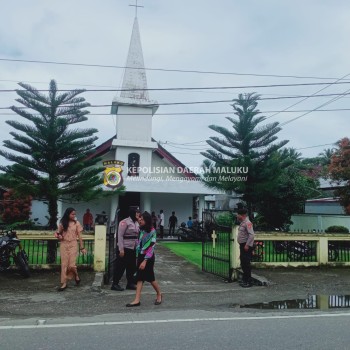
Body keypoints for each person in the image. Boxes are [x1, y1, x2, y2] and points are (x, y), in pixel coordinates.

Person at [126, 211, 162, 307]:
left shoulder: (152, 232)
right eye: (139, 219)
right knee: (139, 278)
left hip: (148, 258)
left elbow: (151, 247)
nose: (140, 221)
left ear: (147, 220)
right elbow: (139, 243)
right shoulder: (141, 229)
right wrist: (138, 257)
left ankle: (159, 294)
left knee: (150, 278)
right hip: (141, 256)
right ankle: (137, 300)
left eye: (142, 219)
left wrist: (145, 261)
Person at [54, 207, 87, 291]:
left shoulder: (77, 223)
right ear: (68, 214)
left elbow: (80, 236)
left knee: (71, 265)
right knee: (64, 264)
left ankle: (76, 275)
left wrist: (82, 247)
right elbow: (58, 234)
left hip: (73, 244)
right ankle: (64, 283)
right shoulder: (62, 223)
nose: (74, 216)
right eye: (72, 214)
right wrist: (59, 236)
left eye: (74, 214)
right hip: (64, 244)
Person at [111, 208, 140, 291]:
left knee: (131, 267)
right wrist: (121, 249)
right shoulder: (125, 222)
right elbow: (120, 236)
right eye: (137, 213)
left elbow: (137, 236)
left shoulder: (136, 223)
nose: (138, 215)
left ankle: (130, 283)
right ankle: (115, 284)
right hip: (125, 248)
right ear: (132, 213)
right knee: (120, 267)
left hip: (133, 248)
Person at [236, 208, 255, 288]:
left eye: (238, 214)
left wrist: (247, 245)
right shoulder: (242, 223)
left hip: (246, 246)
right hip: (243, 245)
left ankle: (249, 281)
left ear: (242, 215)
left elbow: (251, 235)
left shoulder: (247, 223)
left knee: (246, 264)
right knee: (243, 263)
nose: (237, 216)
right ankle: (245, 279)